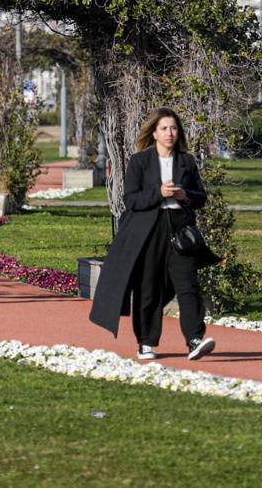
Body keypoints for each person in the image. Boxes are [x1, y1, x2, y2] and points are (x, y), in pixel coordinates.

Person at [89, 107, 220, 361]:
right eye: (164, 128)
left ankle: (194, 339)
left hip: (181, 231)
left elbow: (201, 198)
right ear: (154, 133)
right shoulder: (140, 161)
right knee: (148, 287)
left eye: (174, 128)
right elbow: (131, 200)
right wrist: (159, 193)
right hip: (149, 230)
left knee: (188, 285)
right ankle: (146, 342)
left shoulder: (186, 161)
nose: (170, 133)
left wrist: (185, 195)